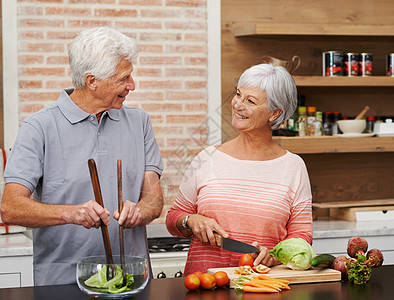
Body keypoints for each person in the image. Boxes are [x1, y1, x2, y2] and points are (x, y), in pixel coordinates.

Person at [0, 27, 163, 285]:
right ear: (92, 80)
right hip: (64, 282)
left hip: (133, 281)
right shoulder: (38, 127)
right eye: (124, 78)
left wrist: (141, 211)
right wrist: (70, 213)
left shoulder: (140, 122)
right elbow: (10, 208)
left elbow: (154, 198)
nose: (132, 85)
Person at [166, 63, 312, 275]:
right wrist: (191, 220)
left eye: (250, 101)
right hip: (204, 286)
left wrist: (278, 253)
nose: (237, 105)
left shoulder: (294, 167)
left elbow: (302, 235)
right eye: (238, 95)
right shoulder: (207, 158)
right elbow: (173, 219)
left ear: (274, 113)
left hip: (262, 287)